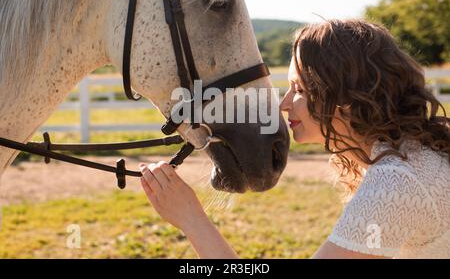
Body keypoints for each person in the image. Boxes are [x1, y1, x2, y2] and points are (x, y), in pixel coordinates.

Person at [139, 19, 450, 259]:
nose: (284, 104)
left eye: (299, 89)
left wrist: (192, 220)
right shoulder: (412, 155)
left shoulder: (395, 184)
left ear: (347, 96)